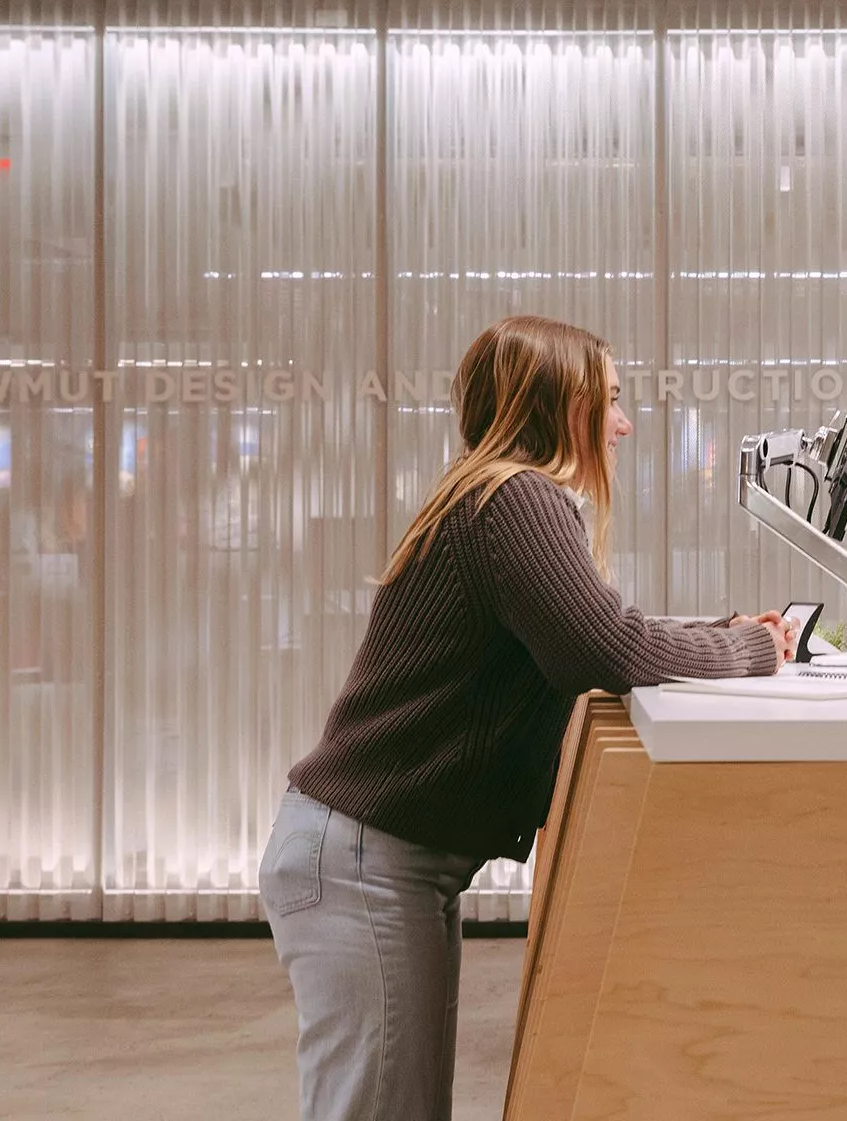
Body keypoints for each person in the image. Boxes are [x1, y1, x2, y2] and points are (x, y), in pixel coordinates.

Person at [259, 316, 795, 1121]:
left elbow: (606, 630)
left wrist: (723, 636)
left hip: (378, 856)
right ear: (561, 404)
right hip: (365, 861)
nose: (624, 422)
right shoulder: (517, 500)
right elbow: (608, 650)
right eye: (610, 400)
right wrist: (757, 651)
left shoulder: (492, 494)